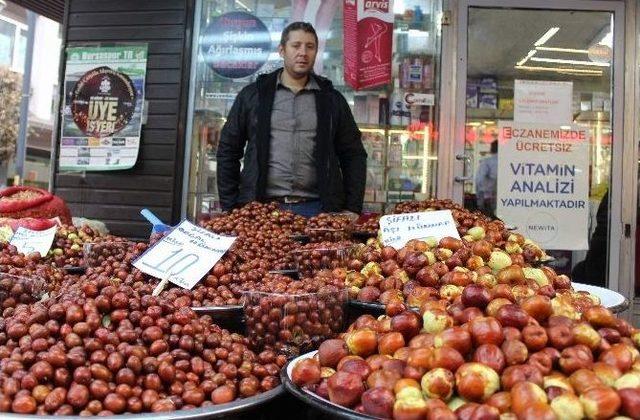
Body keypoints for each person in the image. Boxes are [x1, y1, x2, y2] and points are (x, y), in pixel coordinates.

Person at [217, 22, 367, 218]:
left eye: (310, 46)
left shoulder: (332, 100)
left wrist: (352, 208)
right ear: (282, 50)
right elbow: (228, 150)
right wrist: (230, 207)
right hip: (262, 210)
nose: (303, 52)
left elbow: (353, 154)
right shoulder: (254, 96)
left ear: (316, 52)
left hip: (319, 211)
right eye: (296, 46)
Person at [475, 140, 498, 216]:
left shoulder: (487, 162)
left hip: (489, 199)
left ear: (491, 149)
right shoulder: (508, 163)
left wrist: (480, 203)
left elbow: (479, 181)